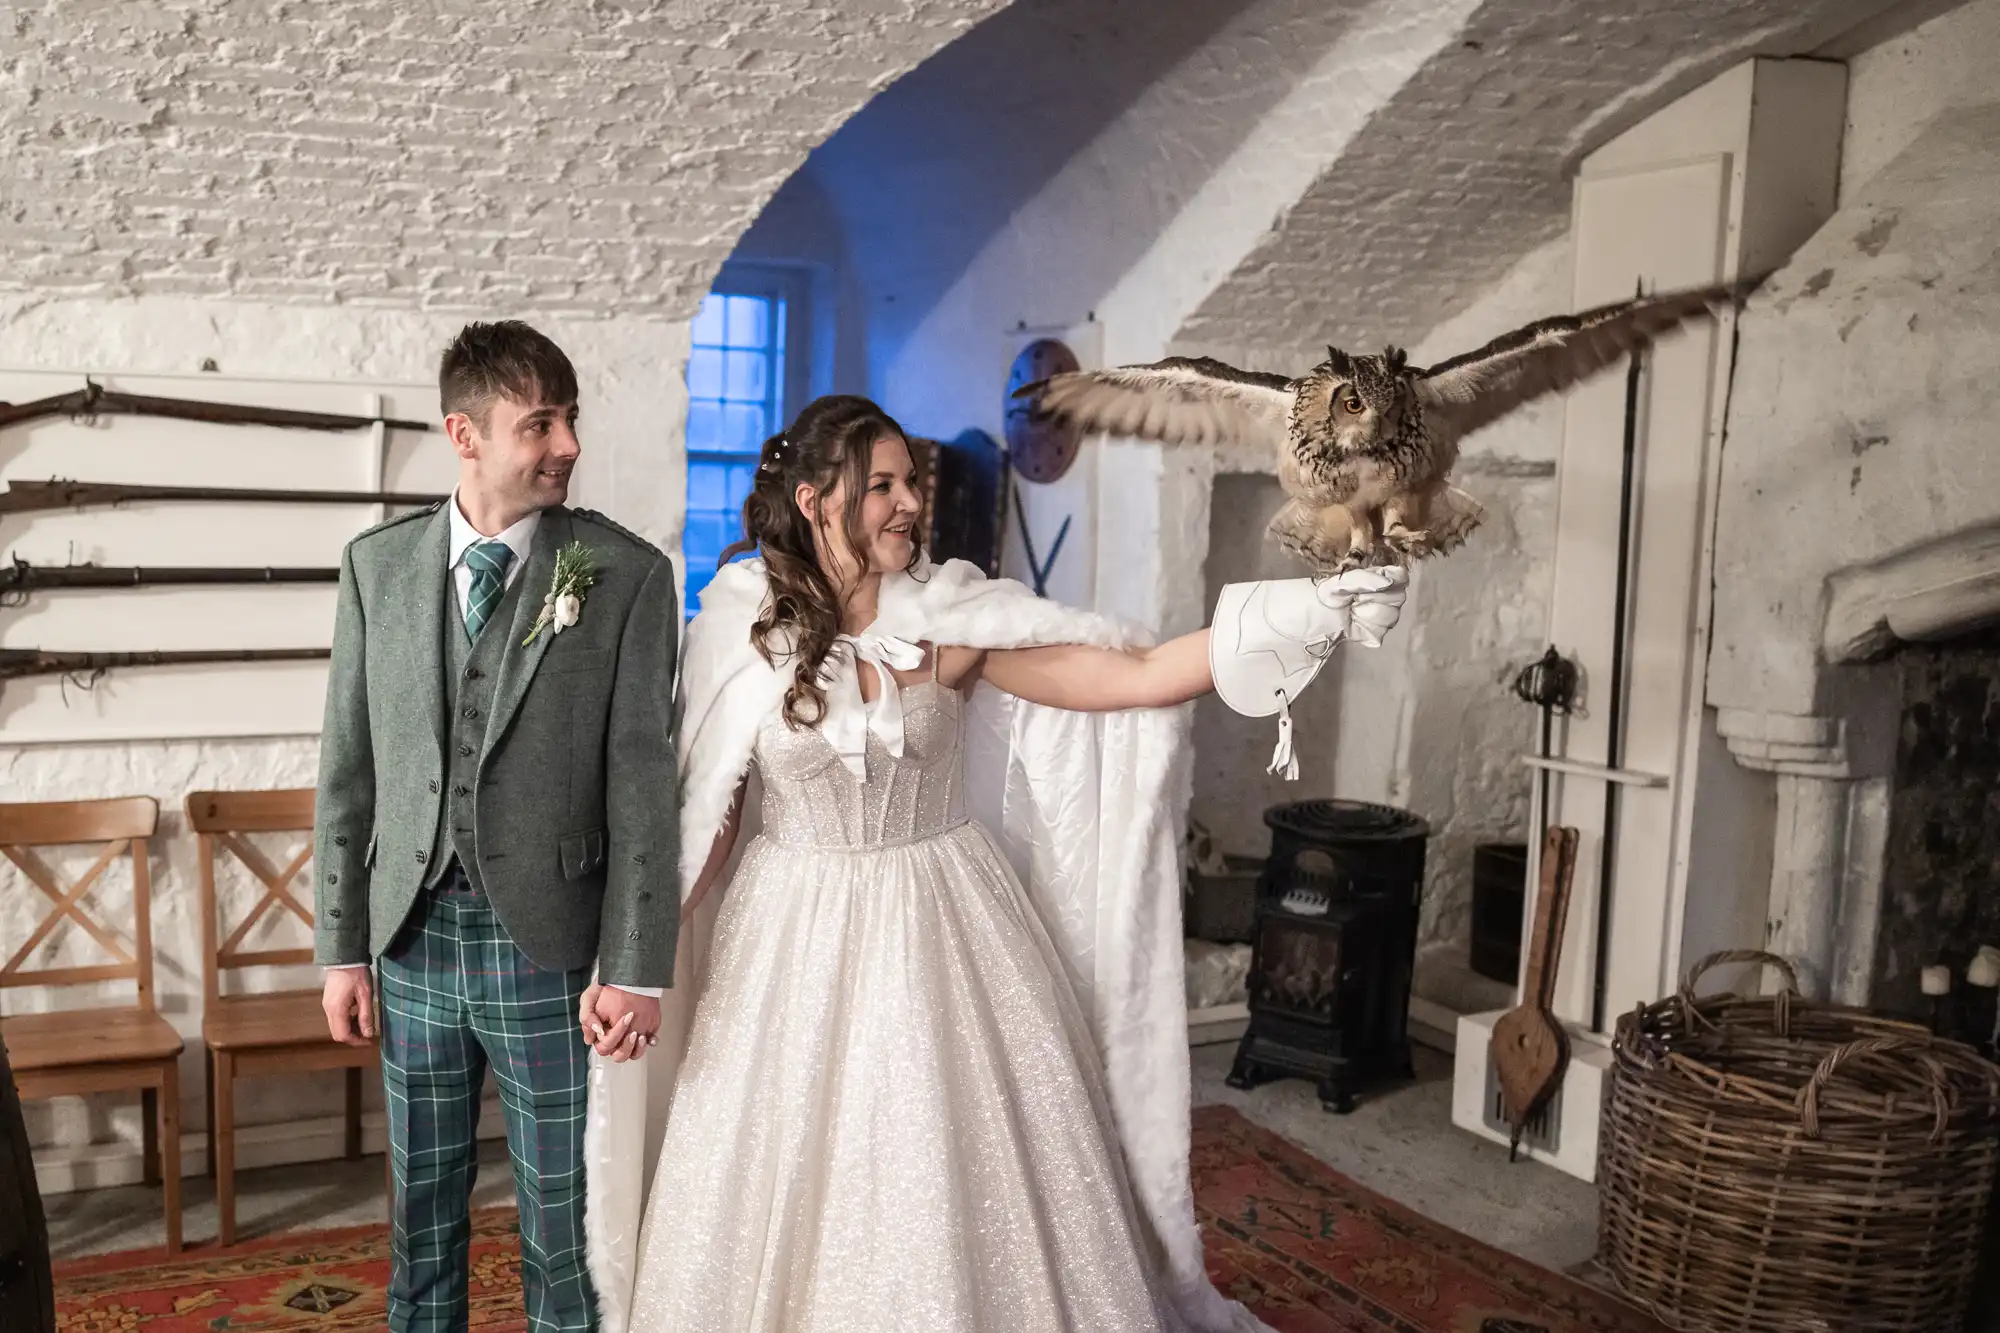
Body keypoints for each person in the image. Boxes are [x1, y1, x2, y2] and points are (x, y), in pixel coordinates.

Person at [579, 395, 1407, 1333]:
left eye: (912, 483)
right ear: (813, 500)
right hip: (788, 933)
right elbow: (708, 825)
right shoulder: (738, 629)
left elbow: (1128, 673)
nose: (907, 503)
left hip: (944, 914)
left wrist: (1309, 609)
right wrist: (634, 966)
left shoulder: (954, 615)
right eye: (880, 484)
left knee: (943, 1157)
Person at [312, 321, 680, 1333]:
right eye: (540, 423)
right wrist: (341, 948)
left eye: (570, 419)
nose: (566, 444)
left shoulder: (624, 574)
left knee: (566, 1226)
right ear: (464, 435)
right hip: (411, 944)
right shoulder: (376, 567)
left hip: (554, 952)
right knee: (420, 1219)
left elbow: (644, 786)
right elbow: (346, 771)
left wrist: (637, 965)